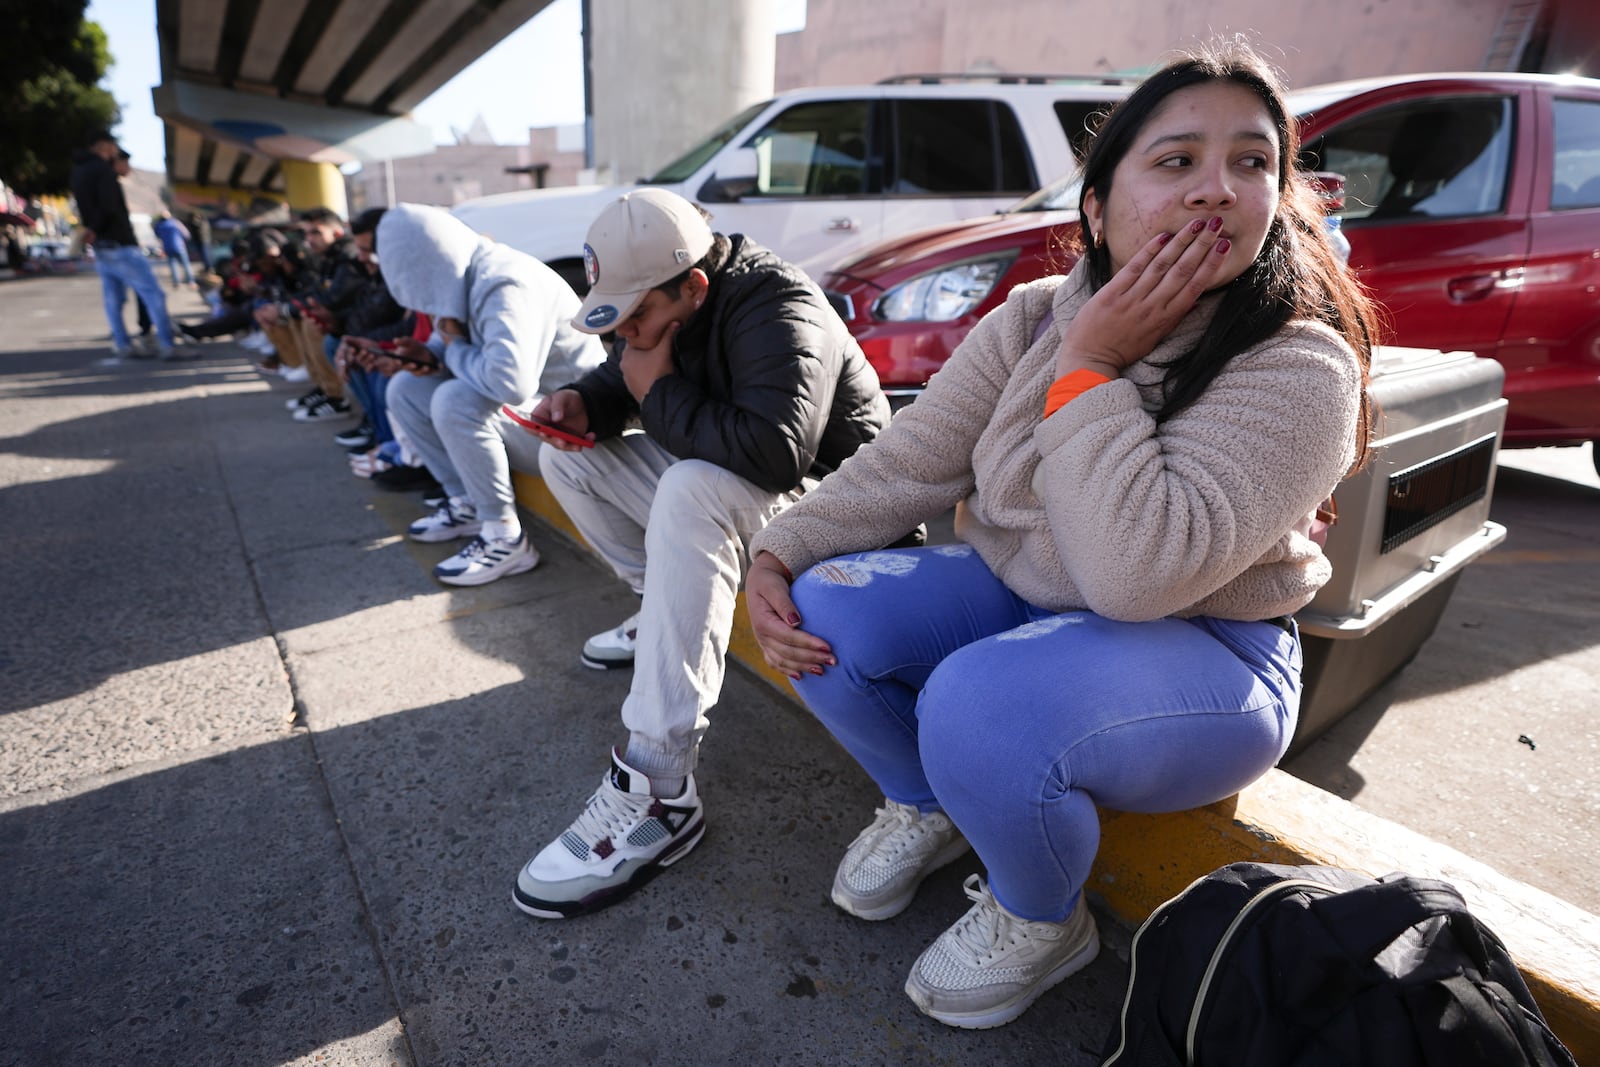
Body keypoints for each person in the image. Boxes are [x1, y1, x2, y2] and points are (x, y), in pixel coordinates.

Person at [743, 43, 1378, 1030]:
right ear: (1094, 207)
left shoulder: (1299, 365)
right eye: (1176, 161)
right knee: (827, 602)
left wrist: (1090, 370)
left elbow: (1136, 573)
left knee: (977, 704)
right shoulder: (1033, 315)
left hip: (1207, 643)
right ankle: (926, 800)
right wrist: (778, 551)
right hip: (1032, 591)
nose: (1218, 189)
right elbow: (913, 458)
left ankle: (1041, 916)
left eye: (1252, 162)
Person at [509, 188, 891, 919]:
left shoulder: (779, 303)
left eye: (638, 314)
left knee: (688, 485)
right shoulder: (666, 305)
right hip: (756, 495)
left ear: (694, 285)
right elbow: (635, 368)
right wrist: (587, 403)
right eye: (614, 318)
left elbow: (776, 453)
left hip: (848, 511)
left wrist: (655, 396)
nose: (627, 331)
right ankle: (664, 614)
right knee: (571, 461)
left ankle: (658, 787)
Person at [374, 203, 606, 585]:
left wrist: (449, 349)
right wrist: (428, 355)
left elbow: (509, 384)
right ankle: (466, 504)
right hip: (536, 419)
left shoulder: (505, 282)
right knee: (406, 388)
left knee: (454, 400)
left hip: (575, 429)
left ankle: (504, 537)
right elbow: (451, 345)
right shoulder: (460, 273)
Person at [69, 131, 180, 362]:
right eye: (112, 148)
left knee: (113, 299)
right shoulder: (102, 170)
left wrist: (92, 230)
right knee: (154, 294)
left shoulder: (78, 171)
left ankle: (122, 344)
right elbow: (109, 207)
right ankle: (167, 345)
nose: (114, 154)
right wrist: (97, 228)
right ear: (103, 146)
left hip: (101, 245)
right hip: (119, 243)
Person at [153, 212, 195, 287]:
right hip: (179, 246)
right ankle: (191, 281)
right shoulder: (175, 223)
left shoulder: (159, 225)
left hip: (167, 247)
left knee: (173, 265)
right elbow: (186, 234)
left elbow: (157, 235)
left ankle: (177, 282)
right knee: (186, 265)